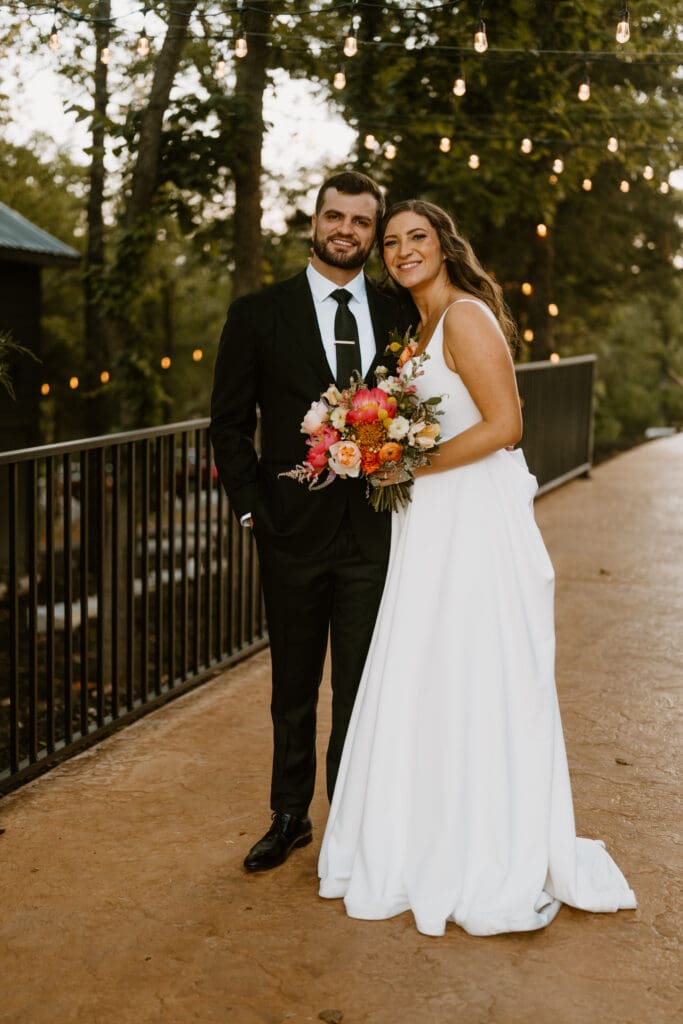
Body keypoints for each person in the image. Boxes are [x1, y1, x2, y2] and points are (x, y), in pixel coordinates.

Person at [318, 200, 637, 936]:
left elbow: (506, 425)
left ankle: (481, 848)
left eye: (417, 237)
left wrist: (407, 462)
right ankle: (423, 837)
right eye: (391, 242)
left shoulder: (464, 317)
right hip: (429, 522)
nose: (402, 250)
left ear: (443, 245)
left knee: (473, 668)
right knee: (428, 670)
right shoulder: (417, 331)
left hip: (472, 520)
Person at [210, 172, 415, 873]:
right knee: (293, 686)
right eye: (335, 216)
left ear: (374, 233)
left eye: (361, 221)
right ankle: (290, 815)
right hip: (289, 532)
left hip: (375, 533)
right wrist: (252, 509)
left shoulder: (400, 314)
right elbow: (229, 424)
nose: (345, 230)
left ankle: (350, 822)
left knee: (361, 687)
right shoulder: (257, 313)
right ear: (314, 221)